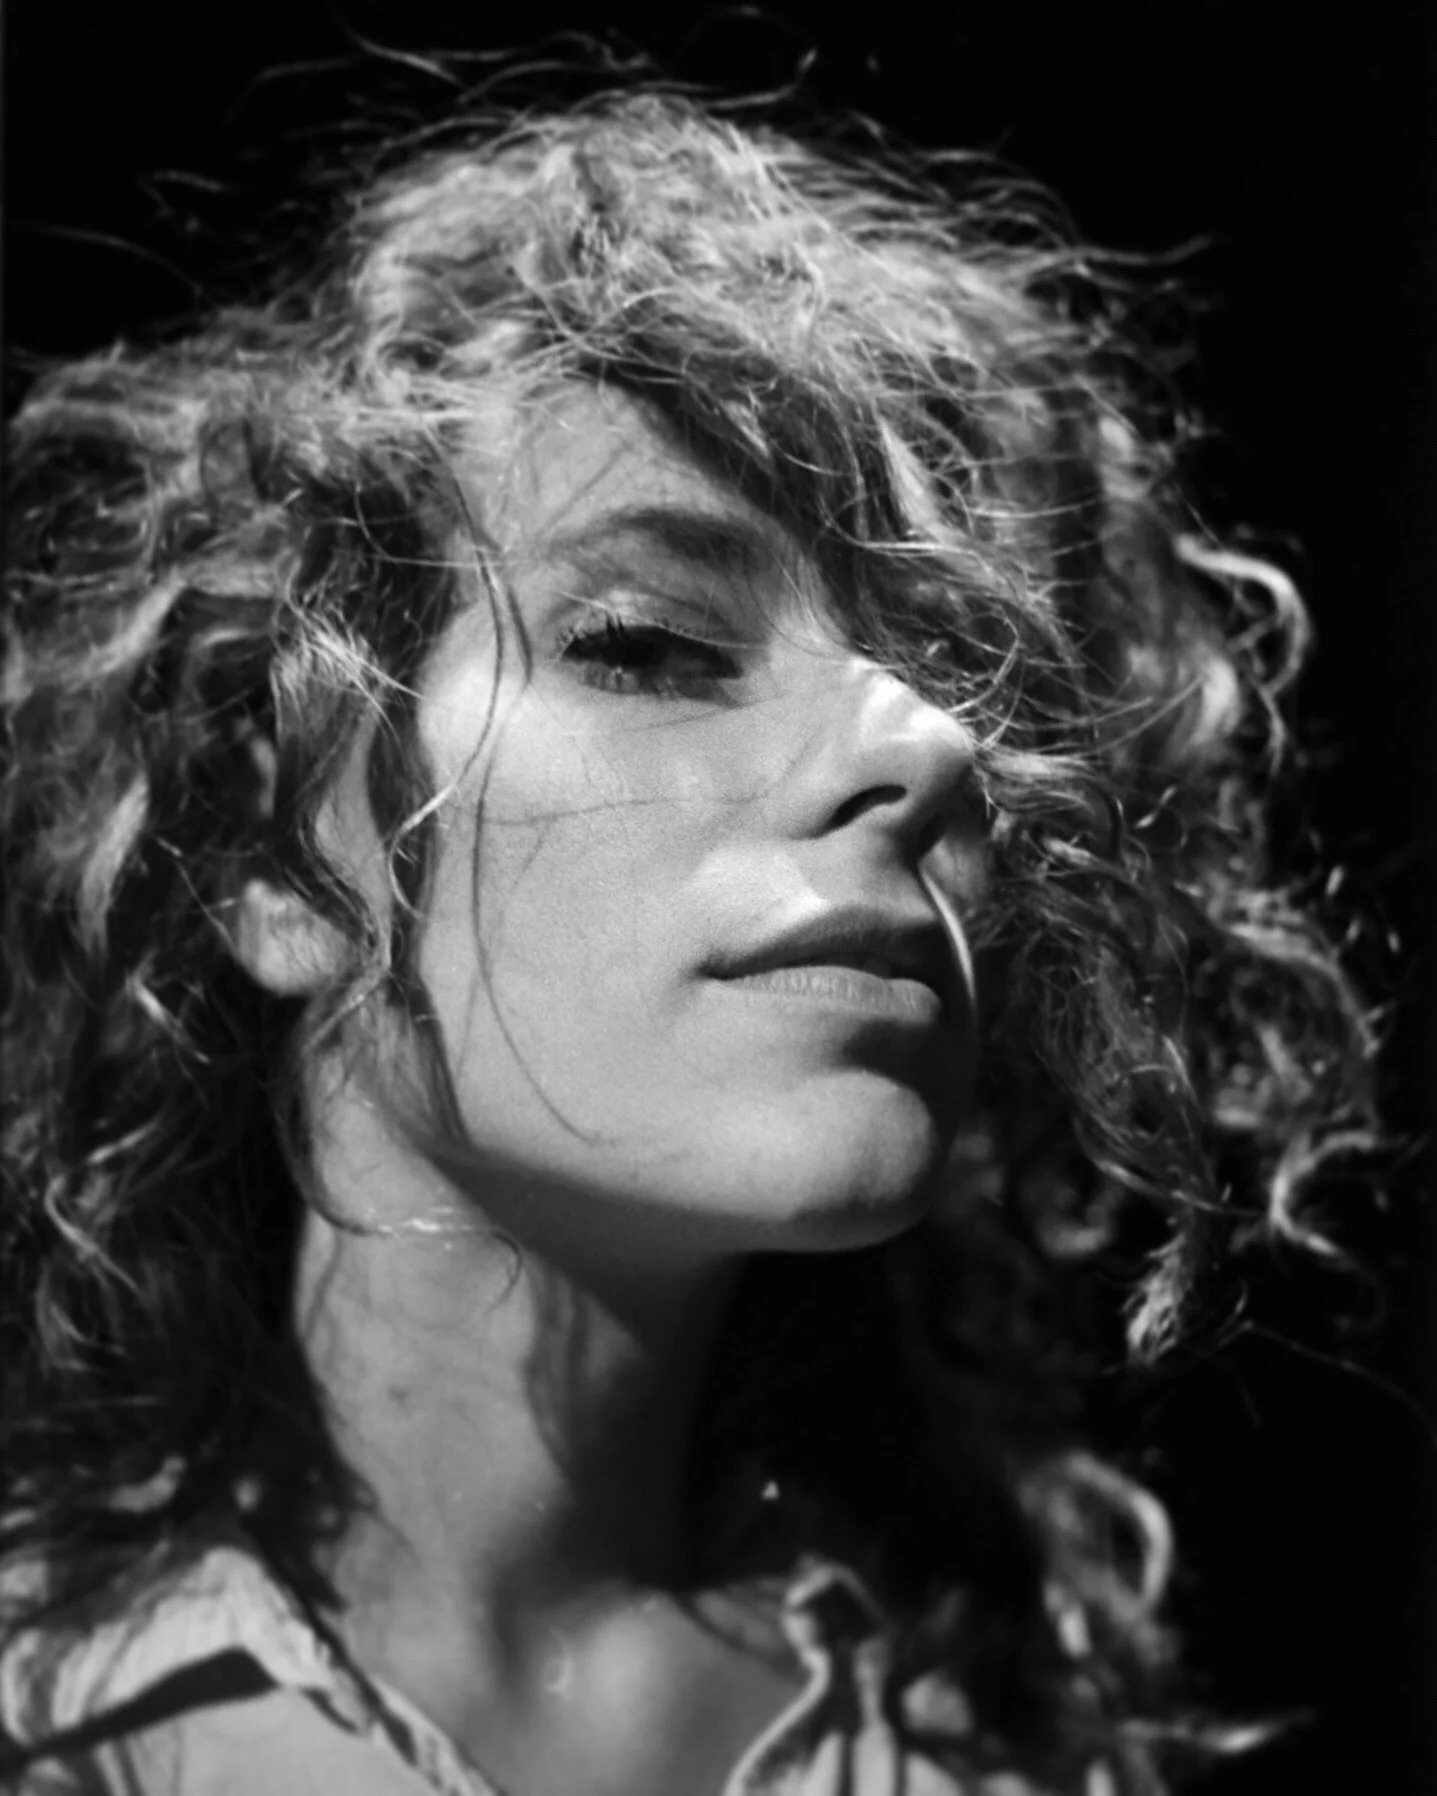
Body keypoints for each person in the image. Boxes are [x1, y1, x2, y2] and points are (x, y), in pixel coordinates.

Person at [0, 85, 1378, 1795]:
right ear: (266, 853)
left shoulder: (1012, 1755)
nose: (929, 747)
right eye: (649, 644)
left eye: (973, 685)